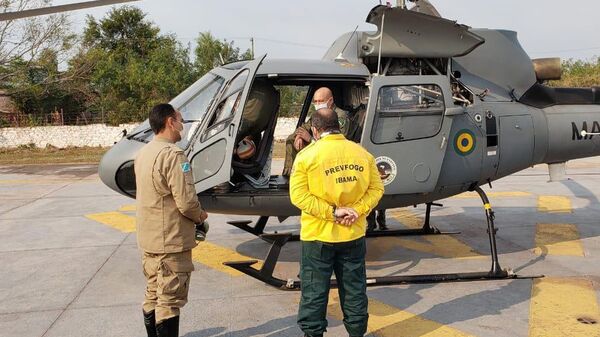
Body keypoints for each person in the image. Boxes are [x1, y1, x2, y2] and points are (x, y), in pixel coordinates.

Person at [290, 108, 384, 337]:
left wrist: (333, 212)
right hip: (353, 235)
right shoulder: (361, 153)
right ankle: (356, 333)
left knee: (314, 293)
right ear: (338, 126)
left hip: (317, 238)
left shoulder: (307, 156)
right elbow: (377, 188)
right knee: (354, 291)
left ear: (315, 129)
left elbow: (298, 196)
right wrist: (357, 211)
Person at [135, 103, 208, 337]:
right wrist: (200, 216)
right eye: (180, 120)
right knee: (169, 301)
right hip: (171, 241)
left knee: (153, 293)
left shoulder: (143, 153)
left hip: (149, 239)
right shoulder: (174, 155)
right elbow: (186, 202)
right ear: (170, 122)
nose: (182, 125)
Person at [282, 87, 349, 176]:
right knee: (291, 139)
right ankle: (290, 174)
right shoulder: (318, 114)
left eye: (321, 101)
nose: (317, 104)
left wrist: (310, 139)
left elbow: (336, 143)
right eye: (315, 101)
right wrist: (299, 137)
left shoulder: (340, 116)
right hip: (318, 145)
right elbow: (303, 128)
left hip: (333, 152)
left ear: (330, 101)